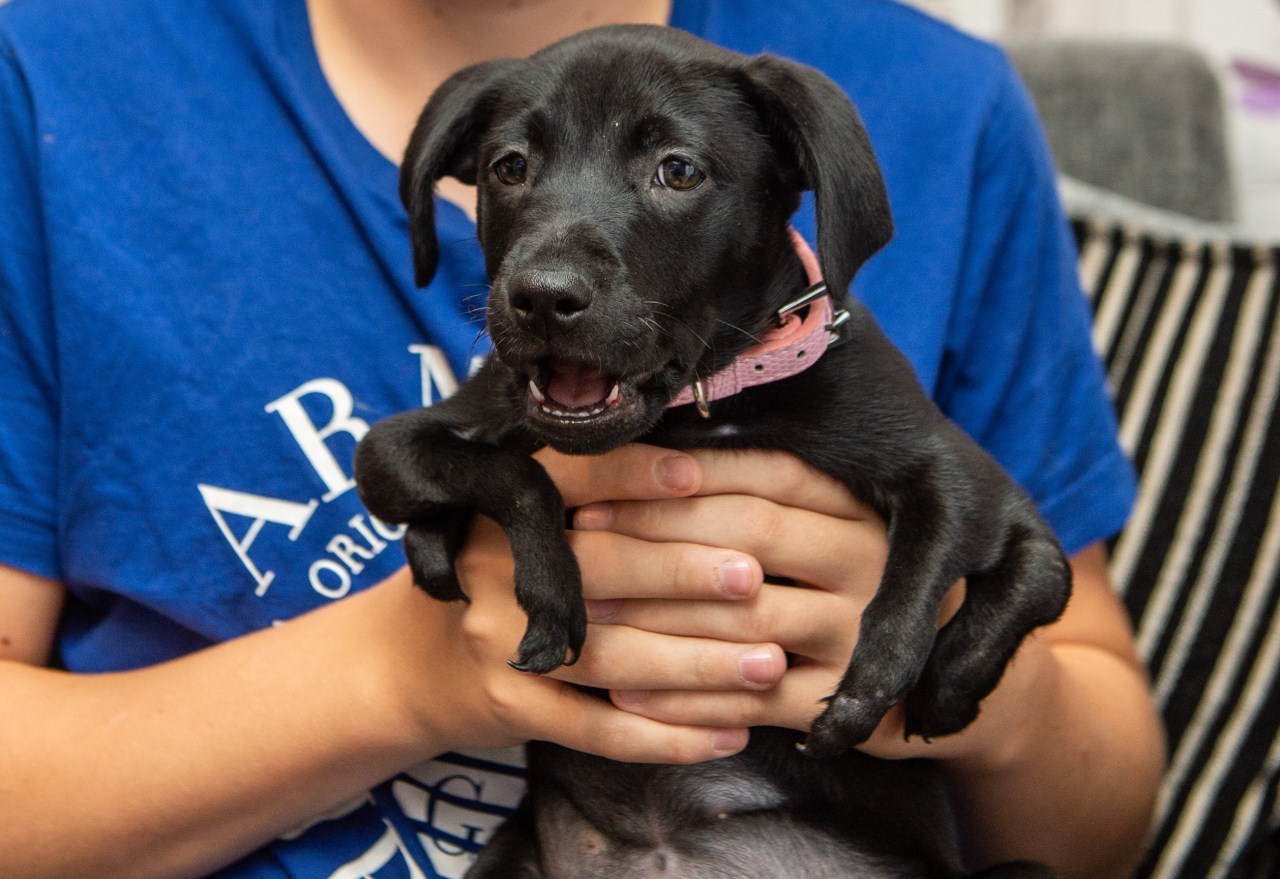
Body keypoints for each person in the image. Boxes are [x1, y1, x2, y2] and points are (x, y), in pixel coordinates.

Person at [0, 0, 1165, 877]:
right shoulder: (52, 74)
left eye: (673, 172)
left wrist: (934, 659)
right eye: (512, 170)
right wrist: (409, 671)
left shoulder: (934, 103)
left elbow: (1100, 819)